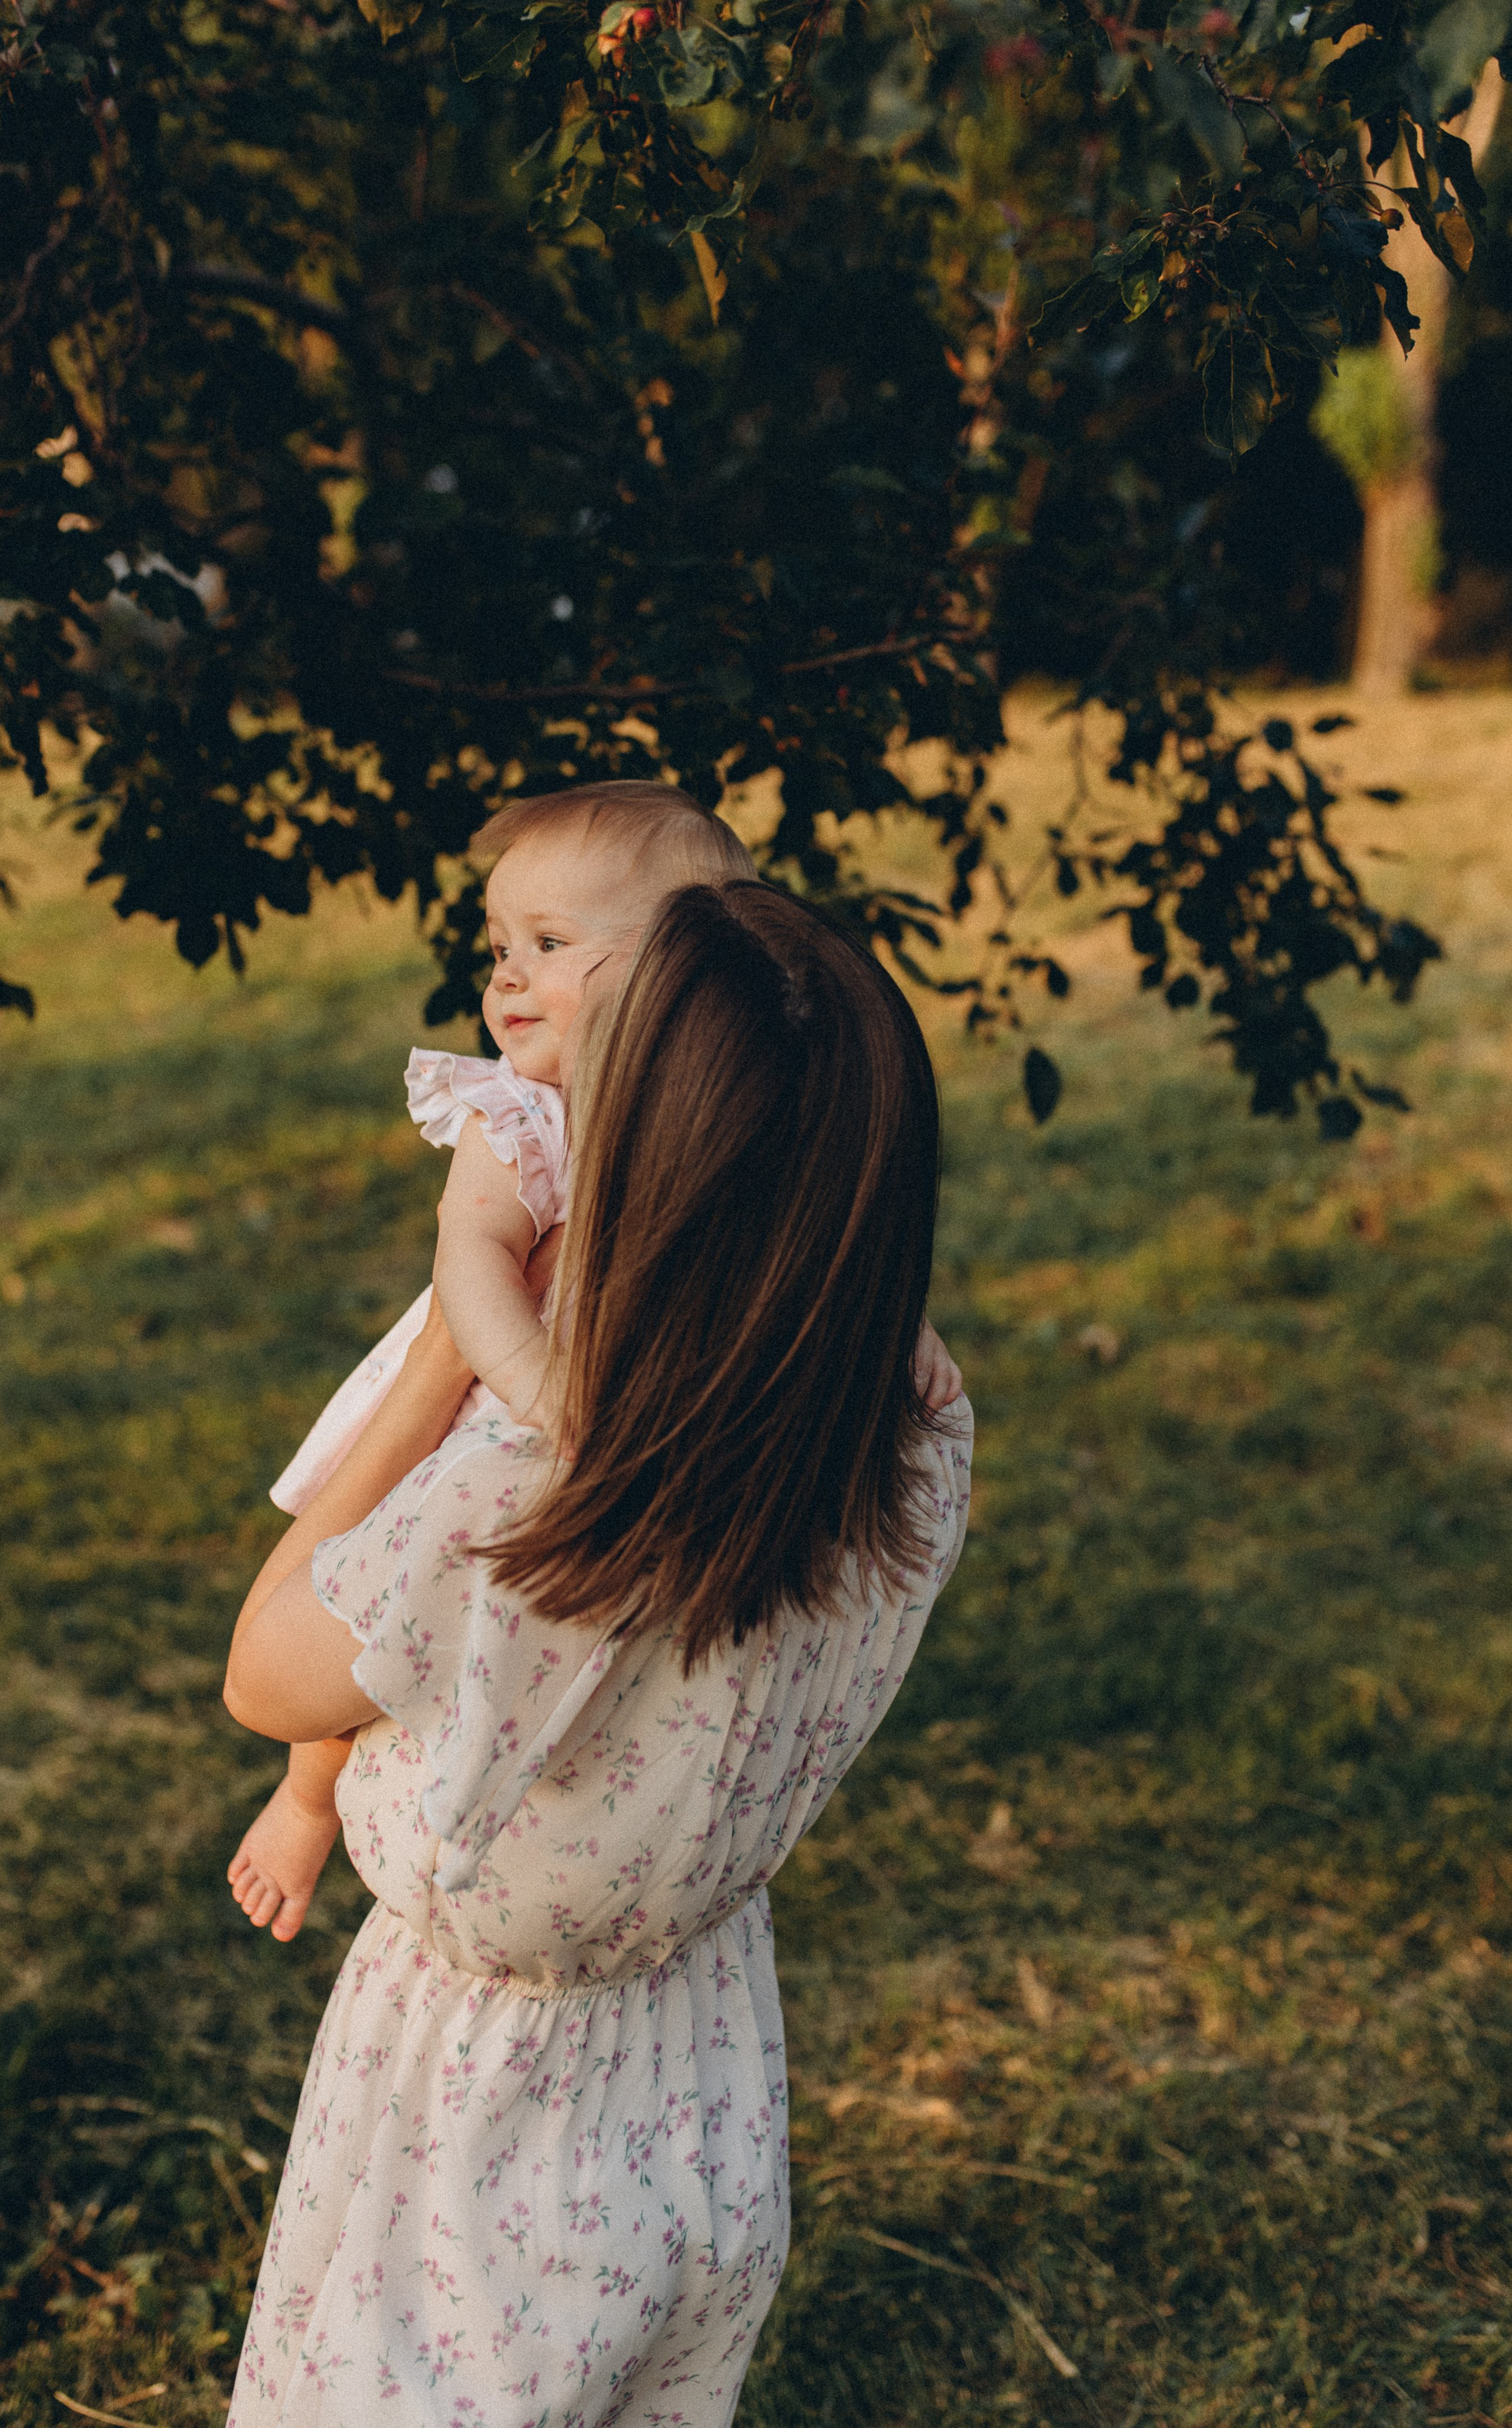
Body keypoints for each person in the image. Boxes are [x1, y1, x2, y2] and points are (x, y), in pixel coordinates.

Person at [221, 880, 973, 2427]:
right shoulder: (909, 1416)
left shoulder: (540, 1480)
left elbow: (266, 1675)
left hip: (479, 2106)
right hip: (697, 2048)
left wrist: (444, 1350)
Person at [228, 782, 756, 1942]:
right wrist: (534, 1387)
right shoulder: (521, 1114)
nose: (506, 977)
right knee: (372, 1606)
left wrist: (906, 1343)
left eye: (550, 944)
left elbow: (808, 1234)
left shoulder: (727, 1112)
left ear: (687, 969)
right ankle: (307, 1796)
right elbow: (470, 1260)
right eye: (500, 945)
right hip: (474, 1399)